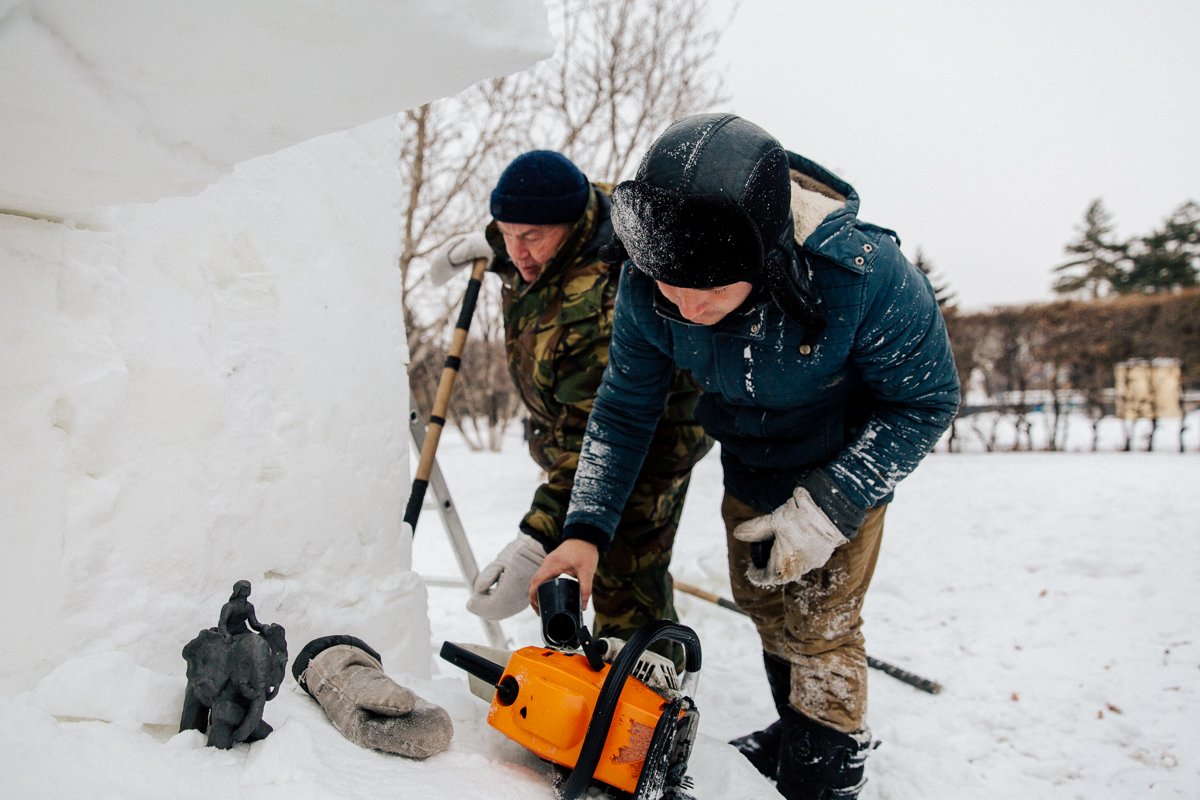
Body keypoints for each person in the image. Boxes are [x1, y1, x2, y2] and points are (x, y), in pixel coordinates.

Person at [526, 115, 960, 799]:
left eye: (713, 292)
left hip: (842, 468)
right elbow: (623, 410)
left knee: (820, 625)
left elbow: (927, 400)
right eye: (673, 290)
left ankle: (827, 767)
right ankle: (795, 728)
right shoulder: (648, 281)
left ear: (768, 258)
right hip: (748, 468)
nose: (689, 308)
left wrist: (829, 509)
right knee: (765, 606)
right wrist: (584, 532)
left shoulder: (863, 276)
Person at [430, 150, 711, 652]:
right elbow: (524, 237)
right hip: (577, 439)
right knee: (587, 553)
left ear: (571, 224)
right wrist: (494, 245)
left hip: (650, 444)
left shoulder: (599, 303)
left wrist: (535, 540)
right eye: (506, 231)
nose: (519, 252)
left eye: (531, 236)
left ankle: (646, 701)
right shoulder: (563, 229)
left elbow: (596, 441)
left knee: (625, 579)